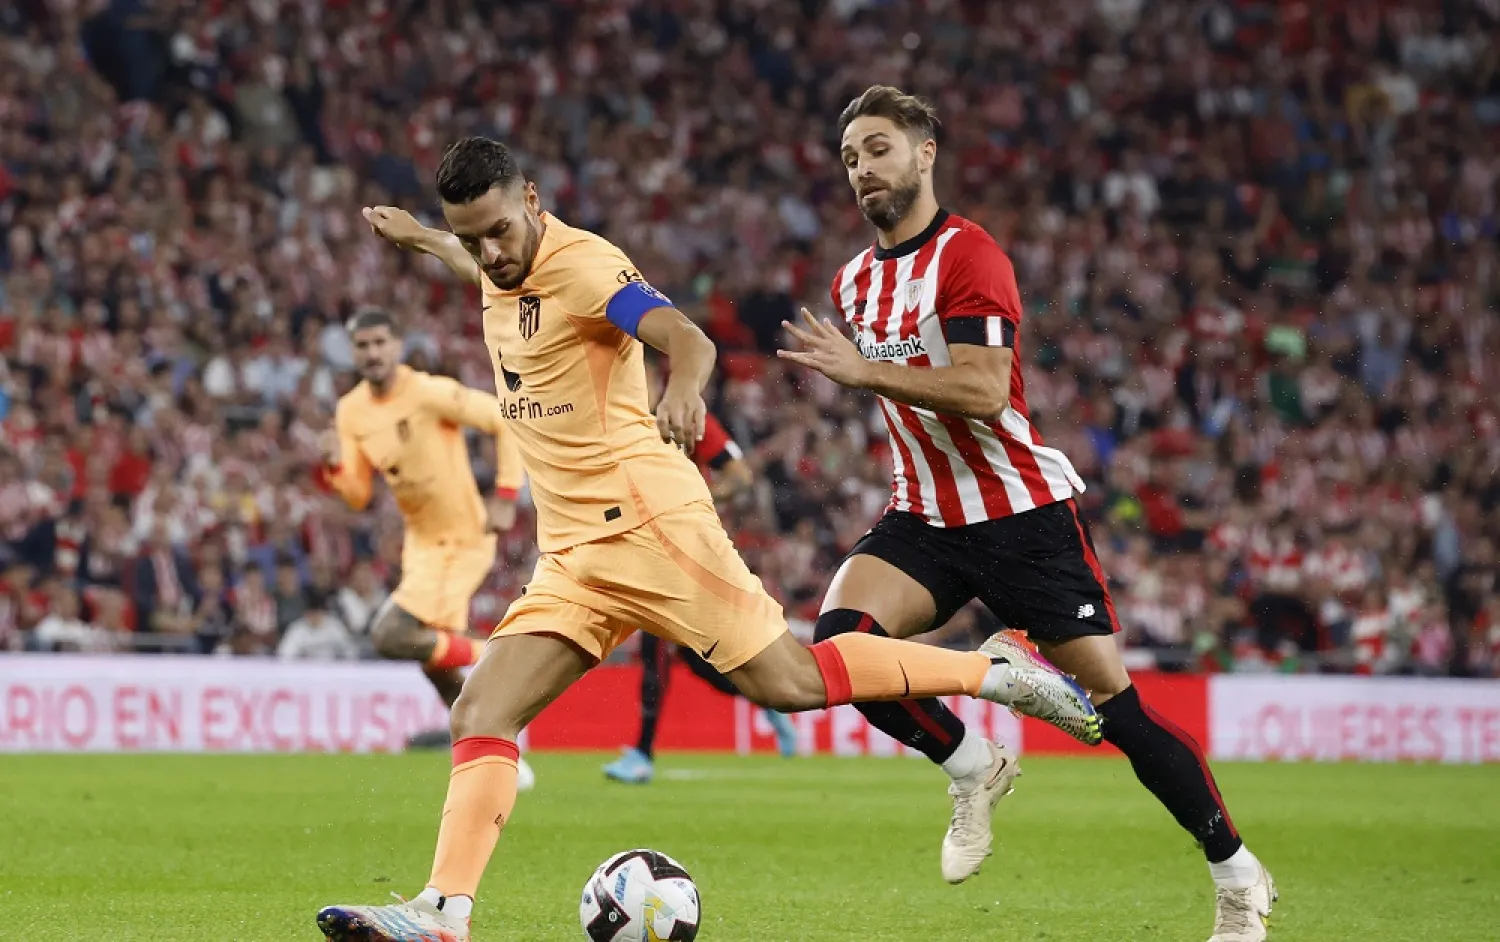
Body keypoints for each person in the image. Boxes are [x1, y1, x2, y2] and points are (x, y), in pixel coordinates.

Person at [315, 136, 1098, 942]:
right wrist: (422, 236)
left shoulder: (587, 268)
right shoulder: (491, 259)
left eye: (499, 232)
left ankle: (991, 672)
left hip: (648, 524)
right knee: (481, 707)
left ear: (534, 202)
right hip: (574, 554)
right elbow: (471, 260)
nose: (489, 252)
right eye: (471, 236)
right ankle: (443, 916)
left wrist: (685, 387)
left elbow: (687, 337)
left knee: (790, 682)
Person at [777, 85, 1274, 942]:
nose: (863, 170)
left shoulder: (971, 257)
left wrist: (864, 373)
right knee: (840, 649)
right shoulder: (854, 281)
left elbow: (977, 389)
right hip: (924, 518)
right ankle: (974, 765)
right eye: (852, 157)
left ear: (925, 152)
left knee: (1115, 709)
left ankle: (1235, 871)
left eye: (880, 149)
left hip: (1019, 517)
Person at [320, 310, 532, 775]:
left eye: (380, 343)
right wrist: (335, 469)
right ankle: (497, 753)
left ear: (397, 345)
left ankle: (500, 656)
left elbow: (504, 418)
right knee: (431, 661)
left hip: (462, 537)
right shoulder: (350, 411)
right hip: (421, 542)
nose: (372, 354)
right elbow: (357, 495)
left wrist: (505, 495)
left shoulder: (428, 392)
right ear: (352, 351)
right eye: (363, 346)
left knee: (391, 635)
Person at [603, 373, 798, 784]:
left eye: (642, 379)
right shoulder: (621, 426)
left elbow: (740, 476)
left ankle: (641, 754)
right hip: (647, 550)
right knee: (695, 659)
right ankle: (762, 697)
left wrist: (691, 502)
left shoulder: (689, 417)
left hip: (687, 548)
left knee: (655, 650)